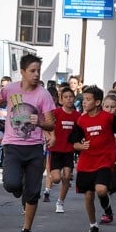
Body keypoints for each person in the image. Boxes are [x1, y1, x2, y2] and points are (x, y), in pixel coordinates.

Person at [0, 53, 56, 232]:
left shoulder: (43, 94)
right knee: (11, 184)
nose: (36, 75)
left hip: (34, 148)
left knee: (33, 193)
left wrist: (40, 122)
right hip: (12, 146)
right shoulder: (10, 89)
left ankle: (27, 230)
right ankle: (19, 190)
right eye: (32, 71)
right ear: (23, 72)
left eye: (38, 71)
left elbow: (51, 124)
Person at [69, 86, 116, 232]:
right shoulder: (81, 120)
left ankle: (106, 206)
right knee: (88, 195)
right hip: (86, 161)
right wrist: (80, 146)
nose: (84, 102)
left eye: (88, 100)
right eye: (83, 99)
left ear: (97, 102)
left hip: (104, 159)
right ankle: (93, 225)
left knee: (101, 190)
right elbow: (74, 143)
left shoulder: (108, 118)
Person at [49, 86, 80, 214]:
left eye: (71, 97)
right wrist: (50, 137)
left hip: (69, 150)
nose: (69, 99)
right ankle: (50, 181)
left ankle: (60, 202)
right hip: (56, 149)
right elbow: (47, 125)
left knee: (67, 177)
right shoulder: (55, 113)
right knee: (56, 179)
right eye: (66, 97)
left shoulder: (77, 116)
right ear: (61, 99)